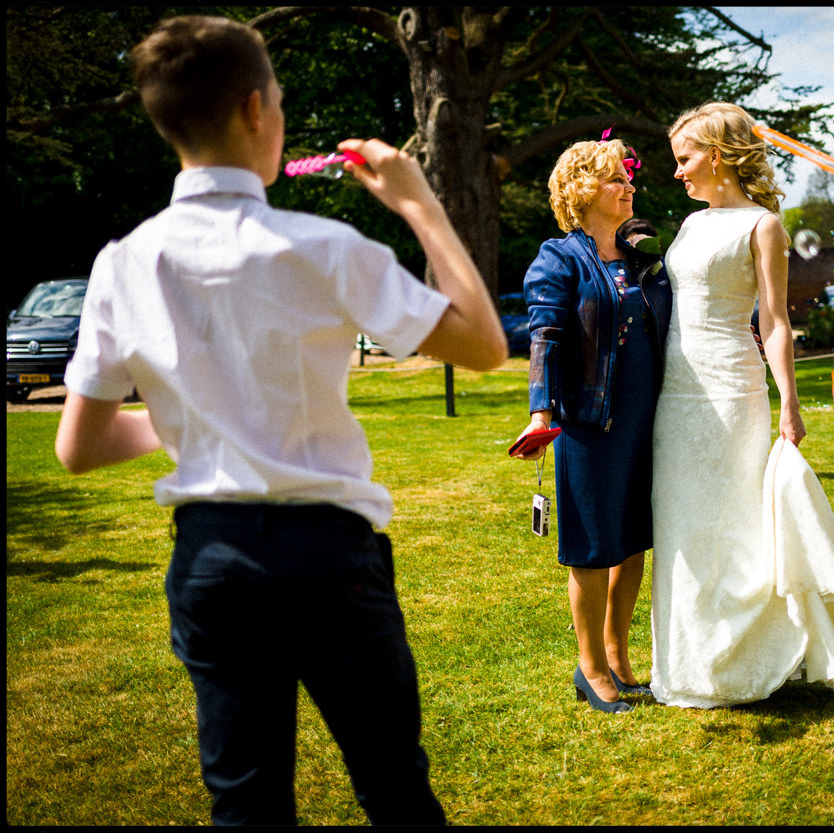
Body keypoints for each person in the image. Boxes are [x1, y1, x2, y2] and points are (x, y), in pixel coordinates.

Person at [54, 15, 506, 825]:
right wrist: (423, 206)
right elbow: (482, 343)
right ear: (257, 111)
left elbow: (78, 445)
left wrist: (196, 420)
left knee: (247, 804)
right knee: (395, 787)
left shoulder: (124, 259)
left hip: (213, 561)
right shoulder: (324, 245)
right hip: (331, 558)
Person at [649, 101, 834, 709]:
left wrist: (790, 403)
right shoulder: (691, 225)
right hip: (677, 394)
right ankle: (691, 664)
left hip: (733, 389)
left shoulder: (762, 225)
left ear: (717, 156)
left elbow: (773, 321)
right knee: (683, 525)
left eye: (685, 158)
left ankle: (751, 658)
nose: (678, 172)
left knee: (738, 524)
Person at [511, 137, 671, 714]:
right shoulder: (558, 257)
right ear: (581, 190)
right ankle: (591, 670)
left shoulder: (642, 256)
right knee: (591, 549)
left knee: (632, 544)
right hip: (588, 422)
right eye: (615, 180)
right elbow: (544, 338)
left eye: (628, 180)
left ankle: (620, 658)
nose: (629, 187)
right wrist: (539, 414)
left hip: (645, 418)